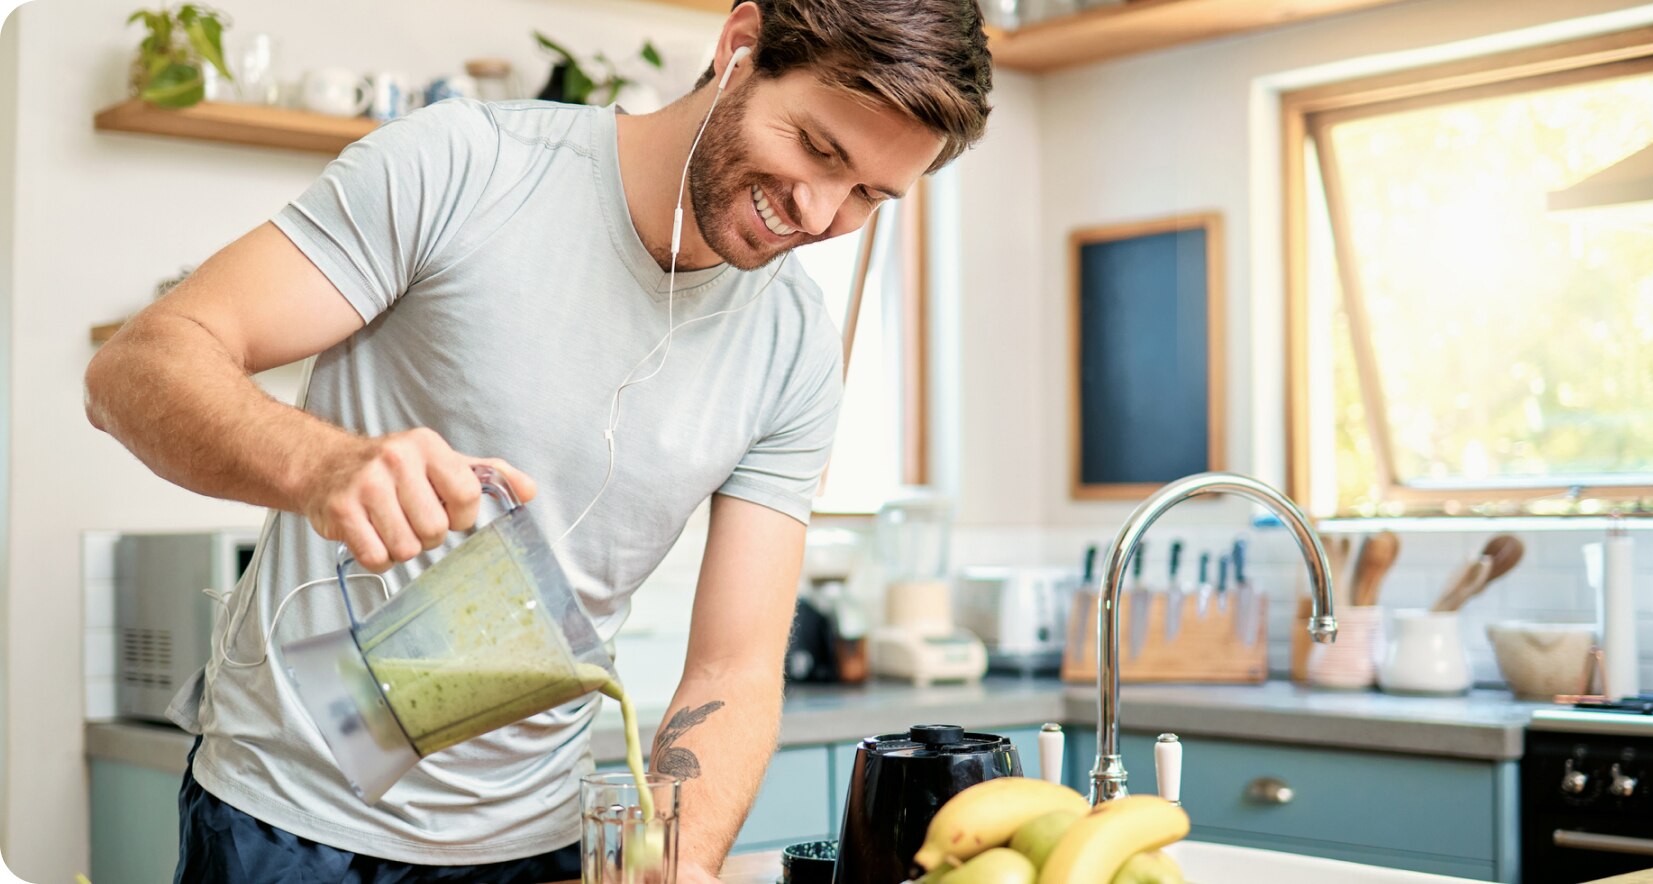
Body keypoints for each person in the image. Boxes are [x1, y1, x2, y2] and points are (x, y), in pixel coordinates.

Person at [83, 0, 993, 880]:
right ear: (740, 45)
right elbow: (133, 369)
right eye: (817, 147)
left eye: (868, 195)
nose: (819, 212)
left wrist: (678, 858)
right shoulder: (468, 165)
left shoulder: (793, 345)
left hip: (541, 843)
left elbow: (736, 664)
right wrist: (321, 465)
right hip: (288, 823)